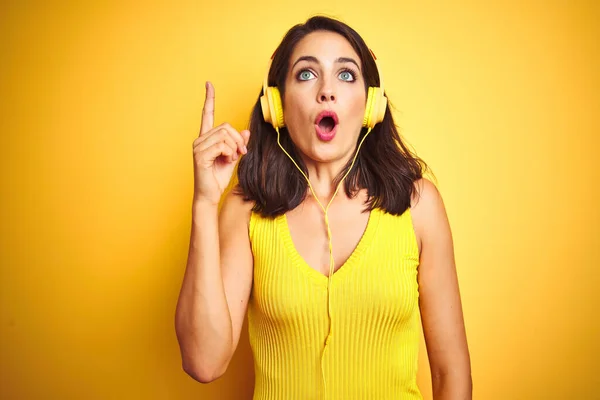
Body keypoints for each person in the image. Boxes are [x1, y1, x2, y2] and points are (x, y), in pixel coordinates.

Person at [175, 15, 472, 399]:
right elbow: (203, 362)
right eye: (306, 75)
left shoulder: (419, 204)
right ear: (276, 106)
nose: (327, 91)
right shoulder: (245, 210)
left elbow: (451, 373)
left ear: (371, 105)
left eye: (346, 75)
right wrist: (203, 202)